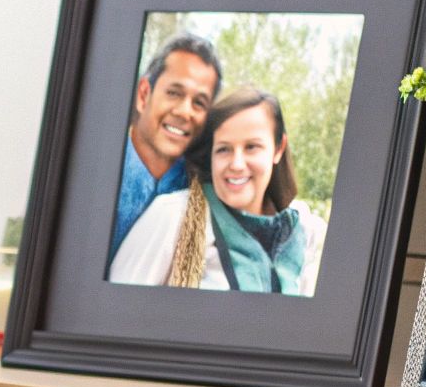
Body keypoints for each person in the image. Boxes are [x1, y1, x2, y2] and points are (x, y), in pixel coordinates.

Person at [109, 87, 325, 296]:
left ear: (278, 148)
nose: (237, 164)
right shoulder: (174, 217)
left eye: (251, 147)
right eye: (223, 149)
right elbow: (113, 308)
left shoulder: (303, 234)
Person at [110, 33, 223, 257]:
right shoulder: (96, 172)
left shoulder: (204, 194)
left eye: (199, 103)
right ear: (144, 95)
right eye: (173, 93)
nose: (184, 112)